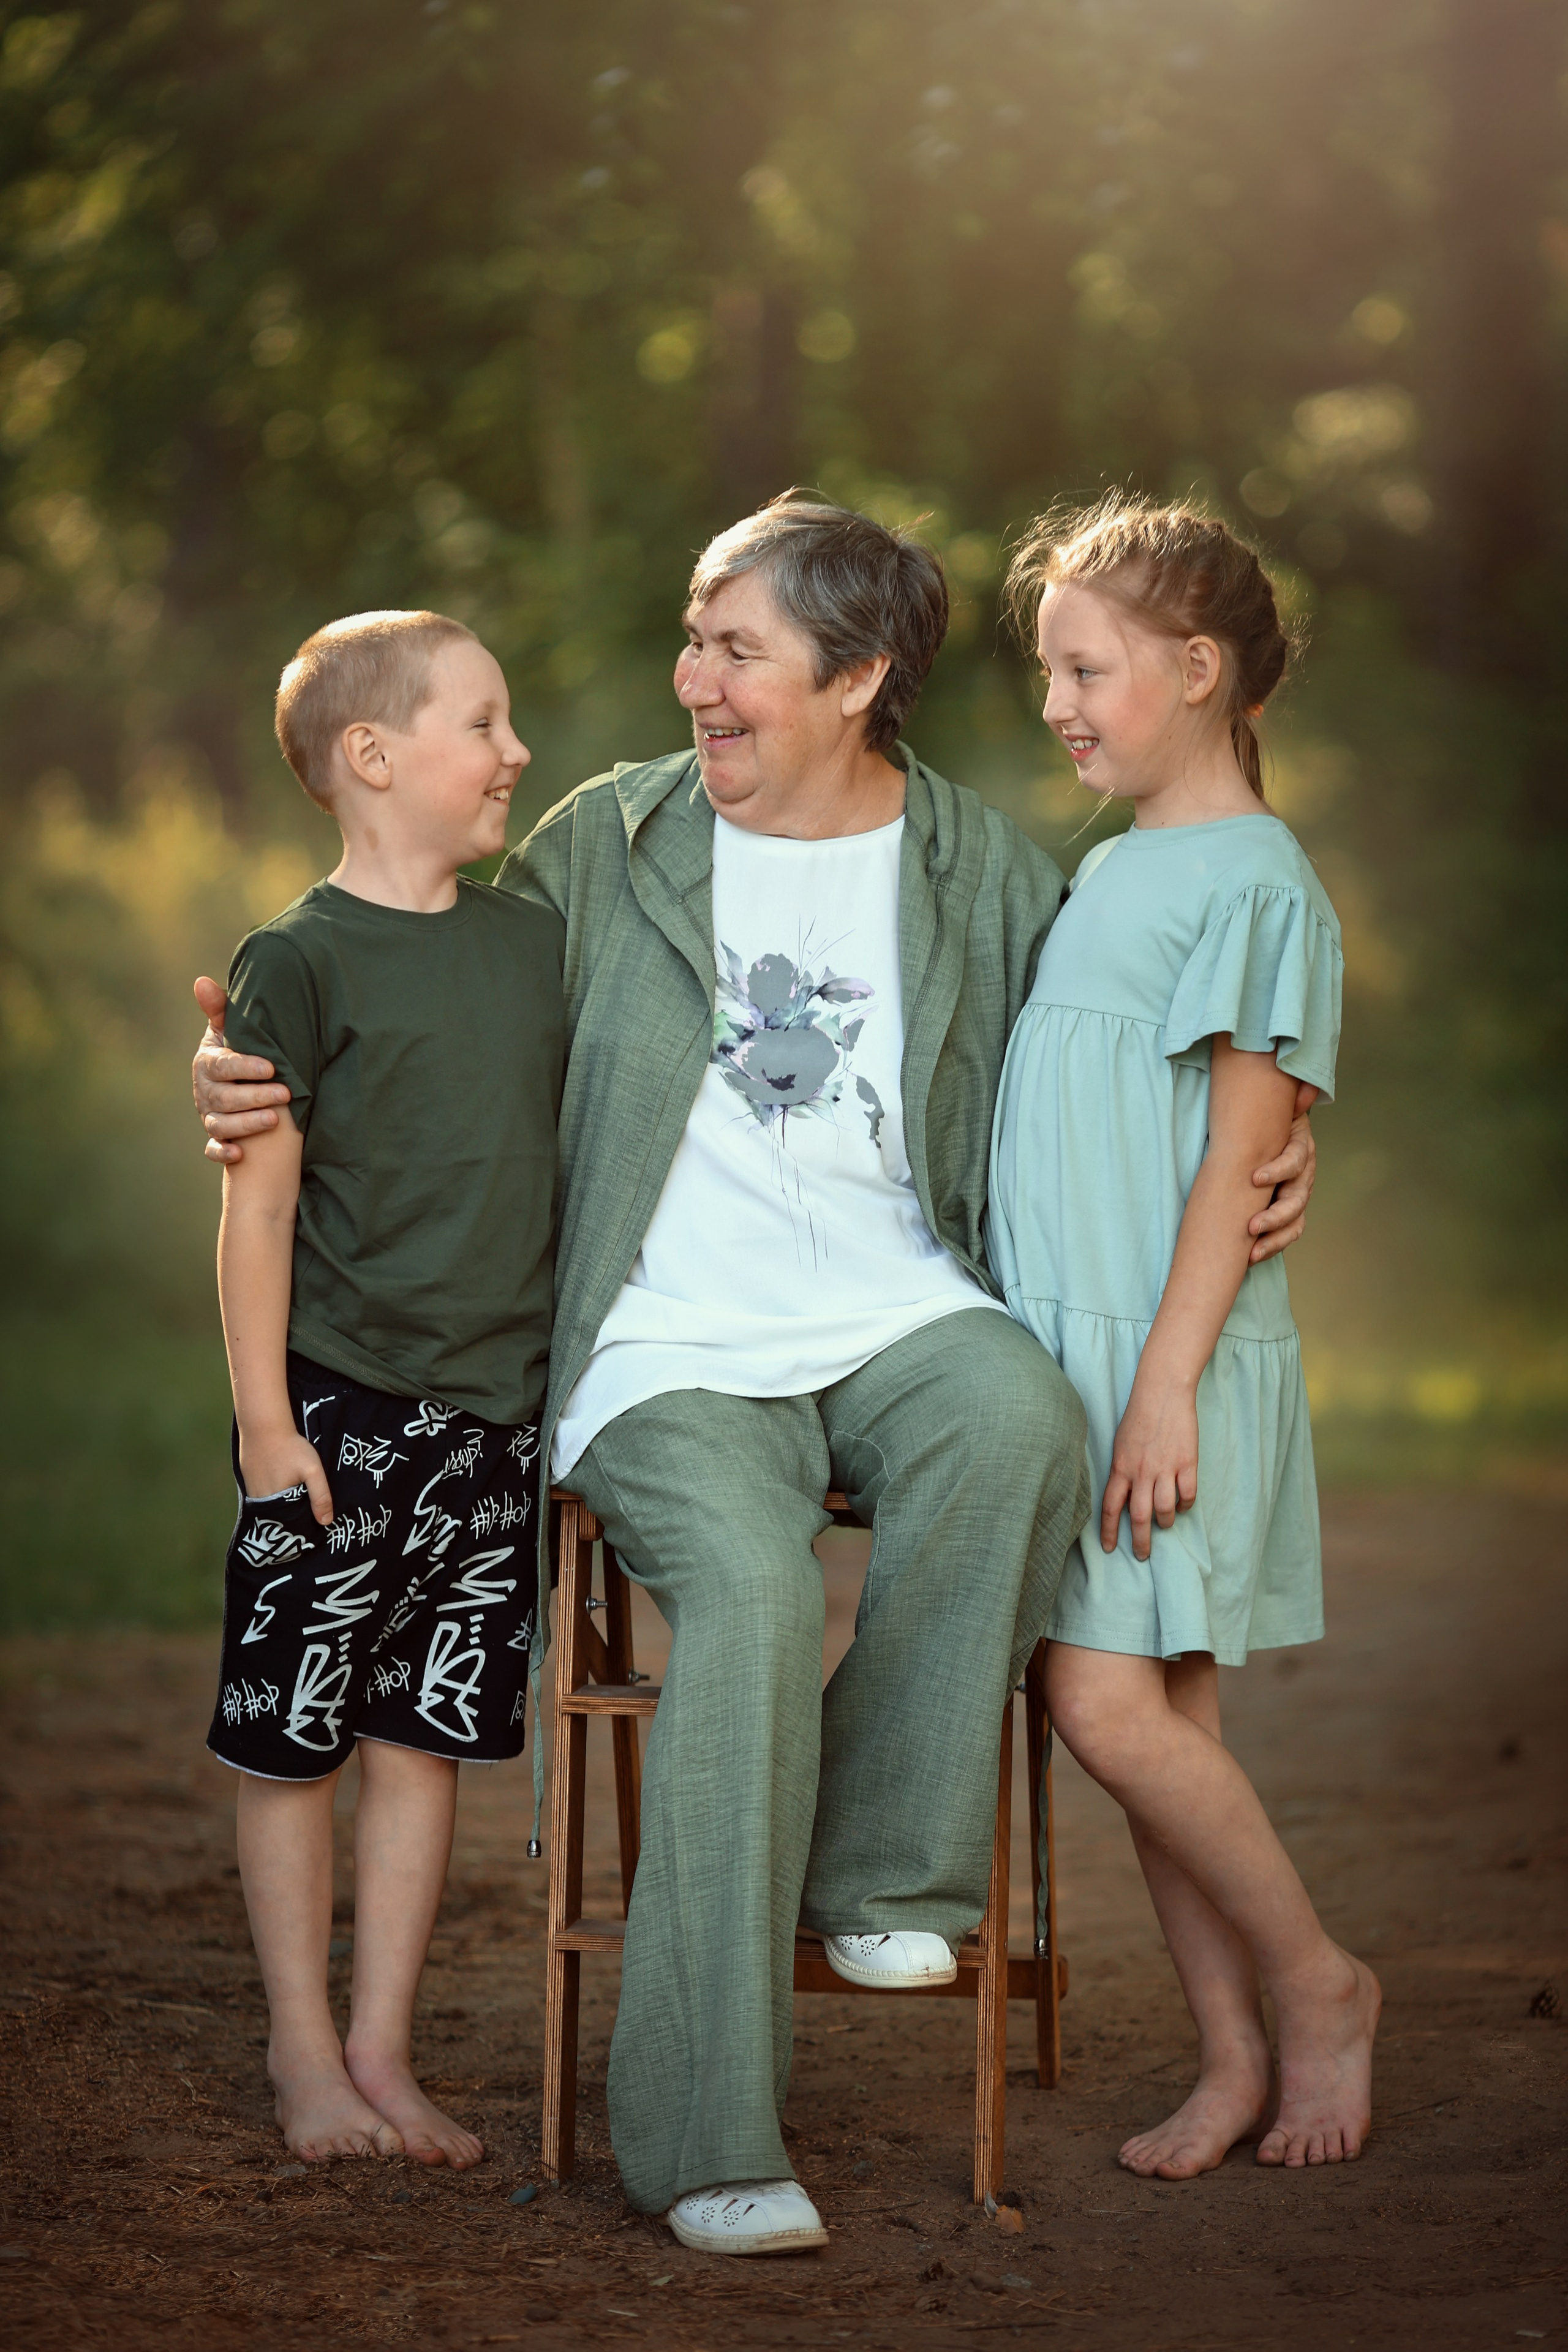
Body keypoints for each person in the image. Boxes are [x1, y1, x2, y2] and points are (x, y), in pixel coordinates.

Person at [194, 495, 1319, 2250]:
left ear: (855, 679)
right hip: (666, 1344)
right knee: (747, 1590)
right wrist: (241, 1076)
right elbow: (409, 962)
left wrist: (1285, 1145)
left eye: (736, 650)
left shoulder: (978, 869)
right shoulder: (606, 839)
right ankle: (708, 2137)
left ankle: (874, 1865)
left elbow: (1143, 1051)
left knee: (1019, 1416)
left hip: (898, 1308)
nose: (691, 680)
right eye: (692, 640)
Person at [987, 495, 1380, 2179]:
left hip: (1163, 1357)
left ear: (1200, 669)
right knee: (1169, 1732)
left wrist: (1160, 1388)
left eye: (1087, 669)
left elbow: (1236, 1153)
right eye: (1049, 673)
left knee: (1098, 1704)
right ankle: (1229, 2058)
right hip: (1082, 1348)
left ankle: (1319, 1985)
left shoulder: (1255, 878)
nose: (1057, 704)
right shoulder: (1116, 861)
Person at [204, 609, 564, 2169]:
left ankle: (381, 2050)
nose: (515, 751)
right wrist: (265, 1427)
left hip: (497, 1423)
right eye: (481, 724)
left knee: (426, 1737)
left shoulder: (534, 943)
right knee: (299, 1733)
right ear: (371, 754)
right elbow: (259, 1206)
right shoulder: (297, 960)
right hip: (338, 1414)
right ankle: (301, 2047)